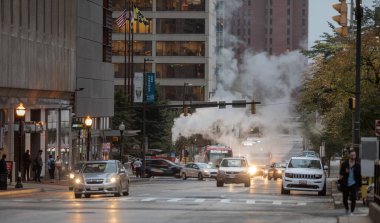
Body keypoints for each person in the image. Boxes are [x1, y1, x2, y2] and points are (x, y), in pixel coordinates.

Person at [339, 149, 362, 215]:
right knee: (344, 199)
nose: (353, 156)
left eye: (354, 155)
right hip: (345, 183)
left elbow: (359, 176)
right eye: (352, 155)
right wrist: (345, 172)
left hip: (354, 184)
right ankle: (347, 208)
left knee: (353, 198)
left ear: (355, 156)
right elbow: (341, 173)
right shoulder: (344, 164)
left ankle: (352, 211)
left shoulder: (357, 165)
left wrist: (360, 186)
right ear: (349, 155)